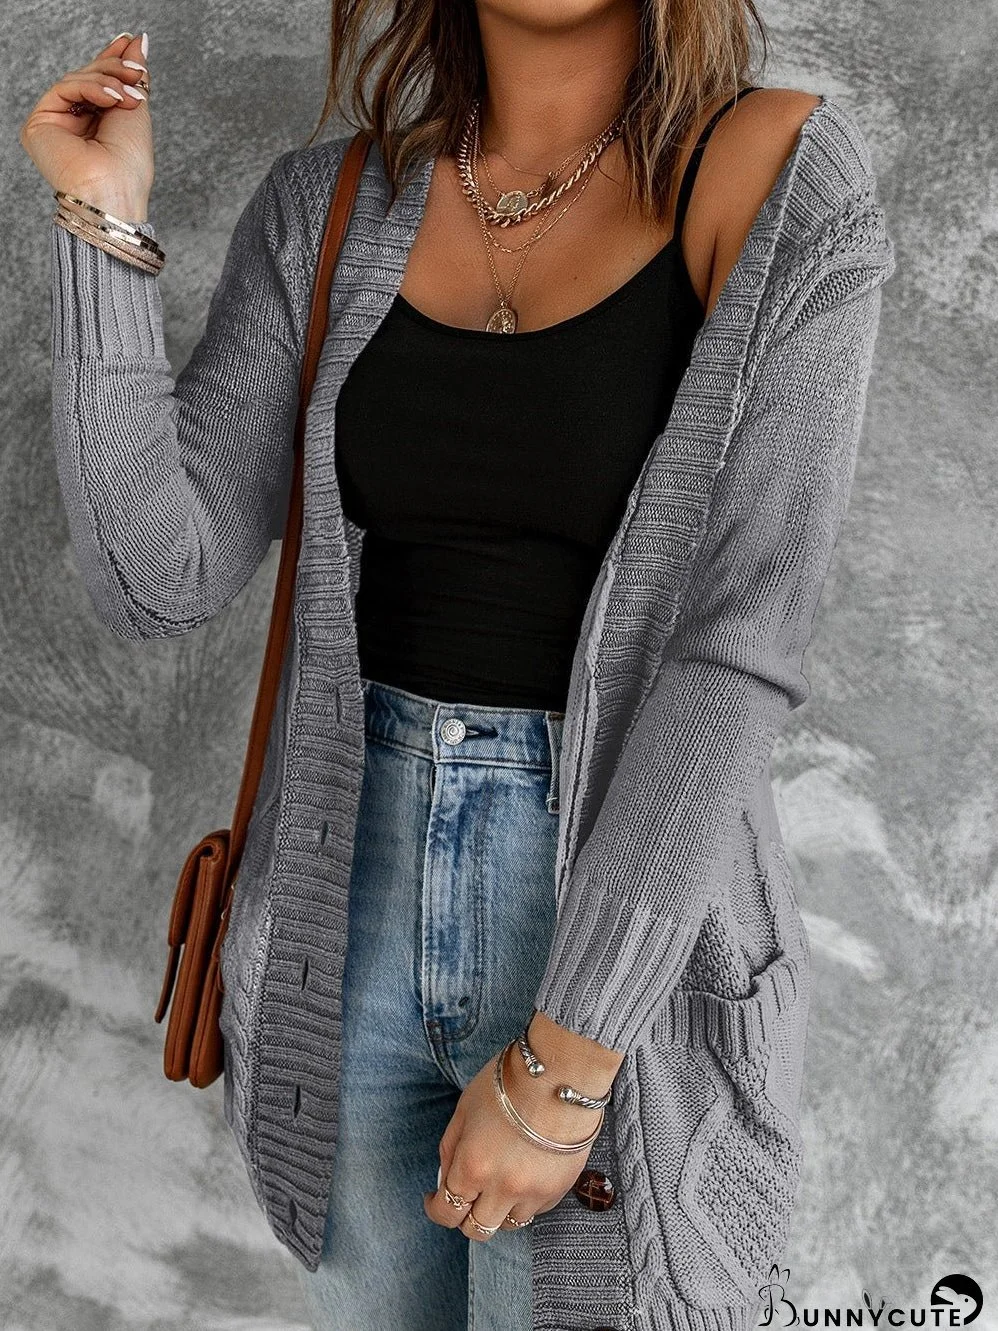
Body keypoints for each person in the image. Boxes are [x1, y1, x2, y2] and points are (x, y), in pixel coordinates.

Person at [19, 2, 895, 1328]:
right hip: (343, 906)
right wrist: (102, 222)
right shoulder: (328, 206)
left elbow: (738, 646)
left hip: (617, 929)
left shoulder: (776, 176)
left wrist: (569, 1058)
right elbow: (156, 579)